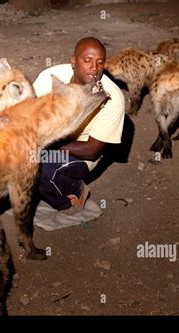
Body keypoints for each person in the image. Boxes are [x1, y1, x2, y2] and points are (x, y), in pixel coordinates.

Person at [33, 37, 125, 213]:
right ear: (73, 61)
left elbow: (92, 150)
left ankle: (74, 194)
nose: (94, 68)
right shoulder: (50, 77)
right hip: (43, 138)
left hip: (79, 153)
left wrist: (44, 144)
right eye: (87, 60)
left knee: (44, 170)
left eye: (100, 62)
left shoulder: (112, 97)